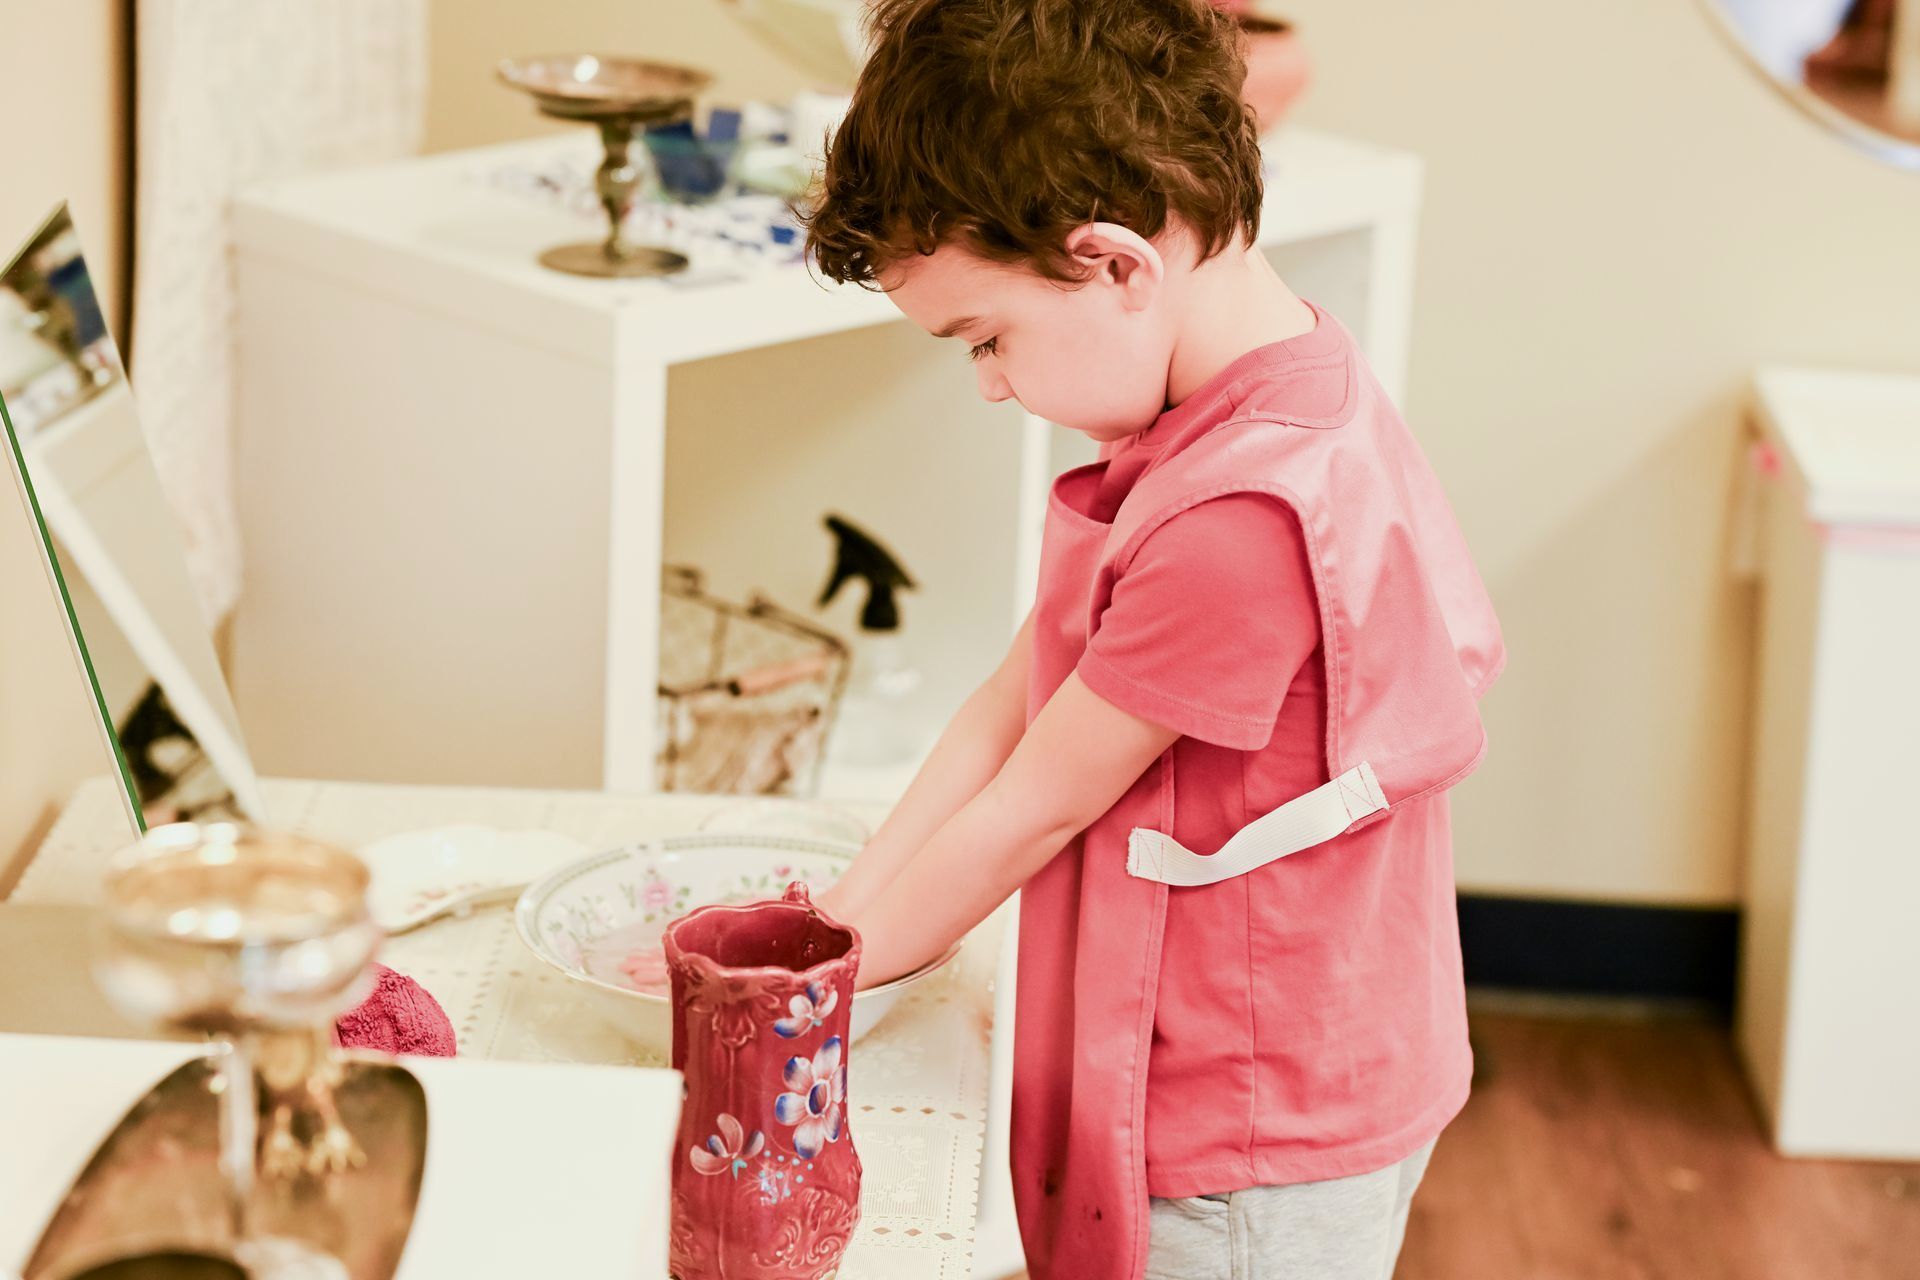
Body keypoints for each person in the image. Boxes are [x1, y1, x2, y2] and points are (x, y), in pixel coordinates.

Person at [804, 2, 1504, 1277]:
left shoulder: (1241, 515)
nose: (992, 383)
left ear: (1118, 264)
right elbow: (1017, 696)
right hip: (1281, 1071)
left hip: (1255, 1140)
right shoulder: (1258, 394)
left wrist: (810, 1004)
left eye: (989, 337)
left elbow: (1032, 806)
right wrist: (836, 928)